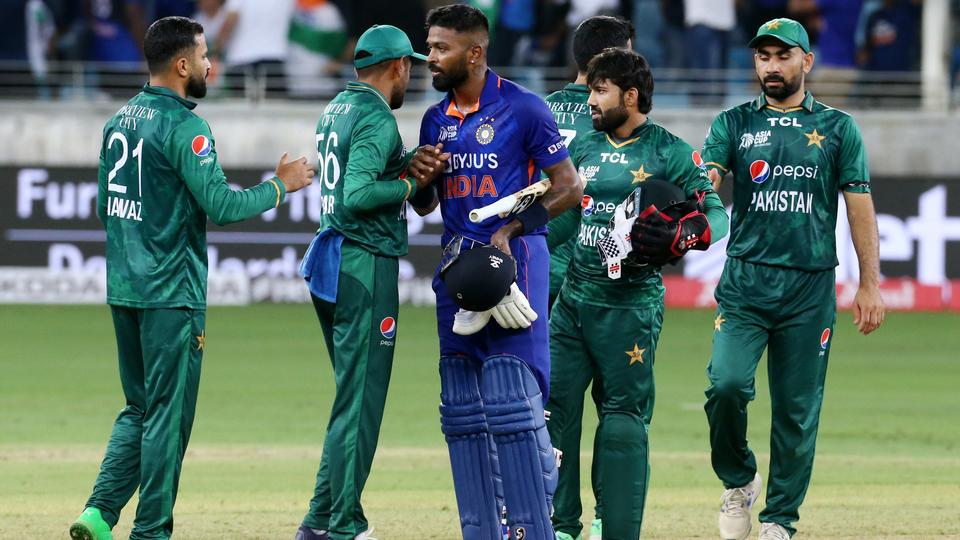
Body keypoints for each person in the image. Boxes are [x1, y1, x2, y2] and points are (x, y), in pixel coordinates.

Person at [69, 16, 314, 540]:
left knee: (140, 407)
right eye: (204, 56)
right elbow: (222, 205)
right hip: (170, 294)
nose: (210, 64)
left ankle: (98, 513)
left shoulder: (119, 120)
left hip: (124, 286)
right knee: (168, 418)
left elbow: (105, 206)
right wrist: (281, 185)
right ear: (182, 65)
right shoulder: (186, 128)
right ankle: (151, 531)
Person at [700, 18, 885, 540]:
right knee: (726, 387)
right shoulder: (734, 123)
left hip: (808, 289)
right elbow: (708, 175)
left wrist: (868, 282)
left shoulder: (838, 128)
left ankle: (780, 519)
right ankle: (739, 479)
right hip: (745, 284)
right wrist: (698, 191)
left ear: (807, 61)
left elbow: (860, 208)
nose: (772, 66)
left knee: (797, 412)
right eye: (763, 56)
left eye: (784, 56)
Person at [408, 4, 582, 539]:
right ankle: (483, 529)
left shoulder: (523, 108)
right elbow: (423, 207)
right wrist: (420, 179)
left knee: (510, 394)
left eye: (441, 48)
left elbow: (568, 187)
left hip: (515, 261)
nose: (429, 57)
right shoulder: (434, 118)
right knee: (461, 405)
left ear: (475, 53)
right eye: (429, 46)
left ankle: (532, 522)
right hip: (458, 270)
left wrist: (509, 231)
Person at [546, 48, 729, 540]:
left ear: (630, 95)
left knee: (623, 420)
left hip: (629, 308)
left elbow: (715, 215)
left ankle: (616, 527)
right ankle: (561, 527)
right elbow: (566, 218)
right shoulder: (582, 146)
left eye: (599, 90)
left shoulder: (668, 150)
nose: (589, 100)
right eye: (588, 89)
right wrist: (519, 242)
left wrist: (686, 234)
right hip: (572, 302)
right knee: (553, 411)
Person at [293, 24, 434, 540]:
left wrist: (404, 170)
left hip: (331, 260)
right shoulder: (376, 115)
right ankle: (346, 525)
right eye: (410, 67)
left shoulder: (337, 108)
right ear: (398, 66)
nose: (412, 76)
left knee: (348, 397)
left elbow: (357, 178)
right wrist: (411, 179)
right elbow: (357, 195)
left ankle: (318, 521)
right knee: (361, 402)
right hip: (364, 261)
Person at [541, 14, 635, 540]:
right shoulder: (626, 119)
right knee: (616, 408)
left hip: (543, 285)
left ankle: (561, 522)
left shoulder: (541, 112)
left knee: (556, 412)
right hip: (606, 283)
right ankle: (608, 517)